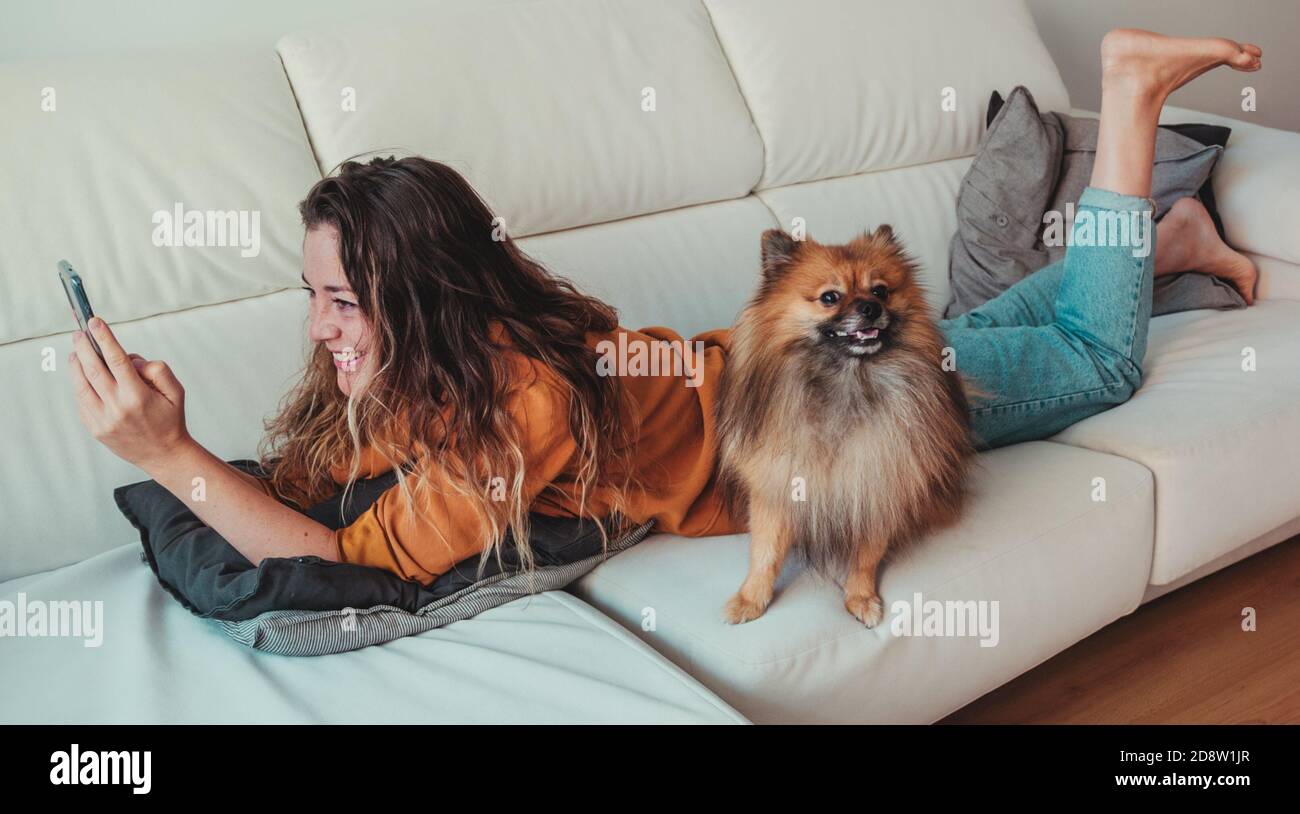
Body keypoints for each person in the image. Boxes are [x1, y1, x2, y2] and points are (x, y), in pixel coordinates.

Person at [68, 29, 1261, 585]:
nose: (320, 325)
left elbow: (344, 560)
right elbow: (321, 486)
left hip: (833, 419)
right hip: (778, 360)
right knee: (1000, 336)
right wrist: (216, 455)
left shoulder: (513, 410)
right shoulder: (481, 344)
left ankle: (1129, 92)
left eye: (340, 300)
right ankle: (1165, 246)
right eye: (311, 294)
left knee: (1093, 366)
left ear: (421, 303)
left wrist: (170, 456)